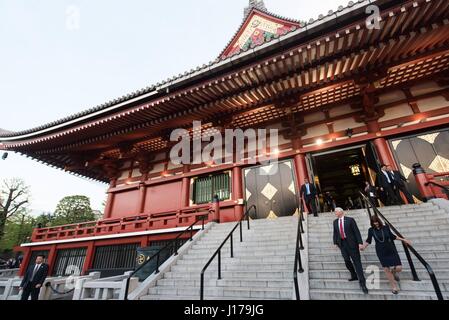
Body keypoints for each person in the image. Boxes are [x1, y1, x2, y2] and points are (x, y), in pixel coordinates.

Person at [361, 216, 411, 294]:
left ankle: (393, 272)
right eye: (374, 222)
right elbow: (368, 240)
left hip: (391, 249)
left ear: (379, 221)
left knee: (399, 268)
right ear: (372, 223)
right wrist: (363, 246)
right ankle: (394, 287)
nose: (376, 224)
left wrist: (403, 239)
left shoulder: (385, 227)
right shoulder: (371, 230)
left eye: (377, 222)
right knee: (386, 269)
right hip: (381, 251)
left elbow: (392, 236)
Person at [333, 208, 369, 294]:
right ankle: (353, 274)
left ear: (341, 212)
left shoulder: (350, 220)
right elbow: (335, 233)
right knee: (346, 261)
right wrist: (335, 242)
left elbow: (356, 231)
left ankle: (362, 283)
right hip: (342, 244)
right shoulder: (335, 222)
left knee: (357, 263)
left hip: (352, 244)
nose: (335, 213)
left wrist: (360, 243)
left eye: (336, 211)